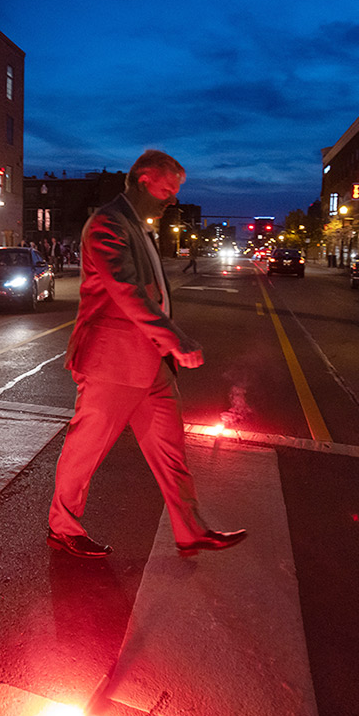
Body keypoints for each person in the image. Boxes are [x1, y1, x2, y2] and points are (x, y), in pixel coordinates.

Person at [46, 150, 247, 559]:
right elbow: (126, 290)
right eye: (167, 190)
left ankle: (190, 529)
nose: (172, 199)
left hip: (151, 364)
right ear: (142, 181)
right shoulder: (106, 224)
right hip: (112, 363)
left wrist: (164, 345)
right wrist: (173, 337)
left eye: (175, 192)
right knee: (86, 450)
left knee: (172, 452)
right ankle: (62, 526)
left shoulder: (138, 227)